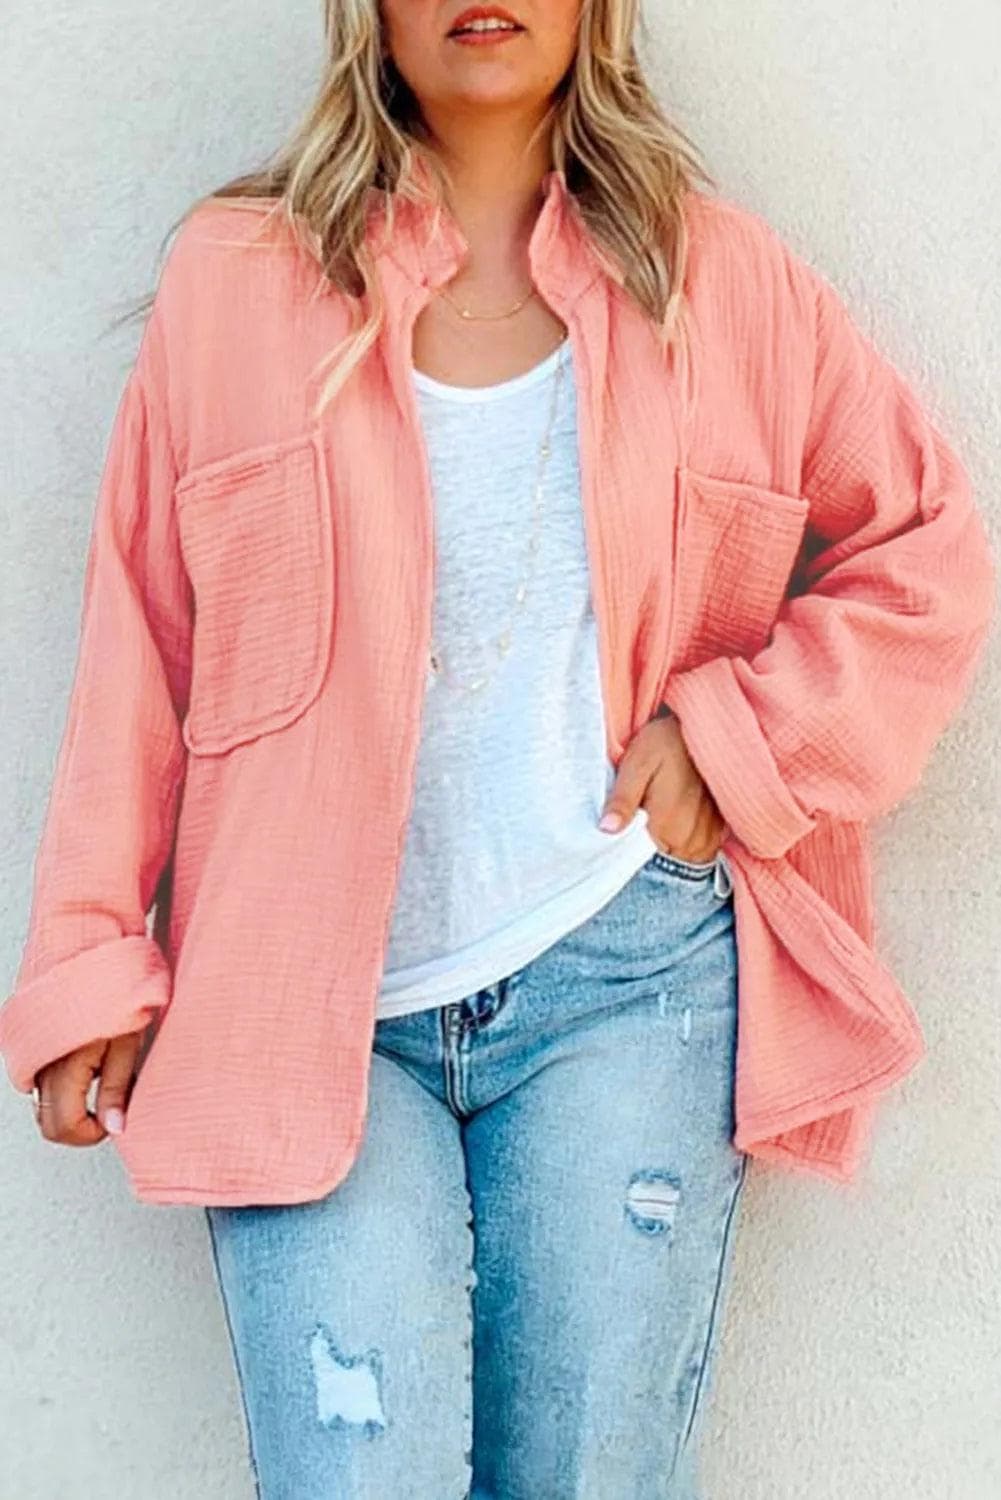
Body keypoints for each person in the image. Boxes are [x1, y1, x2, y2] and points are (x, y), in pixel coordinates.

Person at [1, 2, 994, 1497]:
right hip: (303, 1004)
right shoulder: (236, 281)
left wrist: (741, 737)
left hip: (627, 985)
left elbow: (930, 555)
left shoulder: (720, 283)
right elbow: (142, 629)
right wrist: (88, 953)